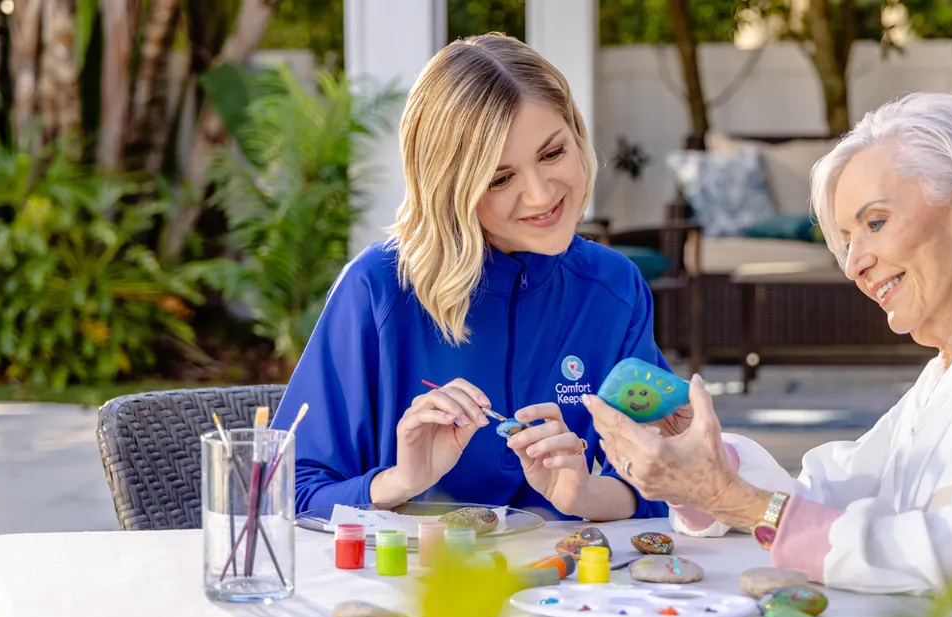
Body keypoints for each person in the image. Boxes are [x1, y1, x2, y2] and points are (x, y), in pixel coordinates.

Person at [583, 91, 952, 592]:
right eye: (845, 239)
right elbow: (826, 492)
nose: (854, 263)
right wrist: (706, 460)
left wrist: (739, 501)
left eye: (875, 223)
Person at [272, 33, 683, 521]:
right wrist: (401, 481)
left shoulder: (614, 288)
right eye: (499, 179)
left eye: (552, 153)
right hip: (411, 589)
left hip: (570, 588)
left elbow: (658, 481)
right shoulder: (377, 289)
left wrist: (581, 495)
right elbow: (282, 493)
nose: (539, 194)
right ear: (450, 188)